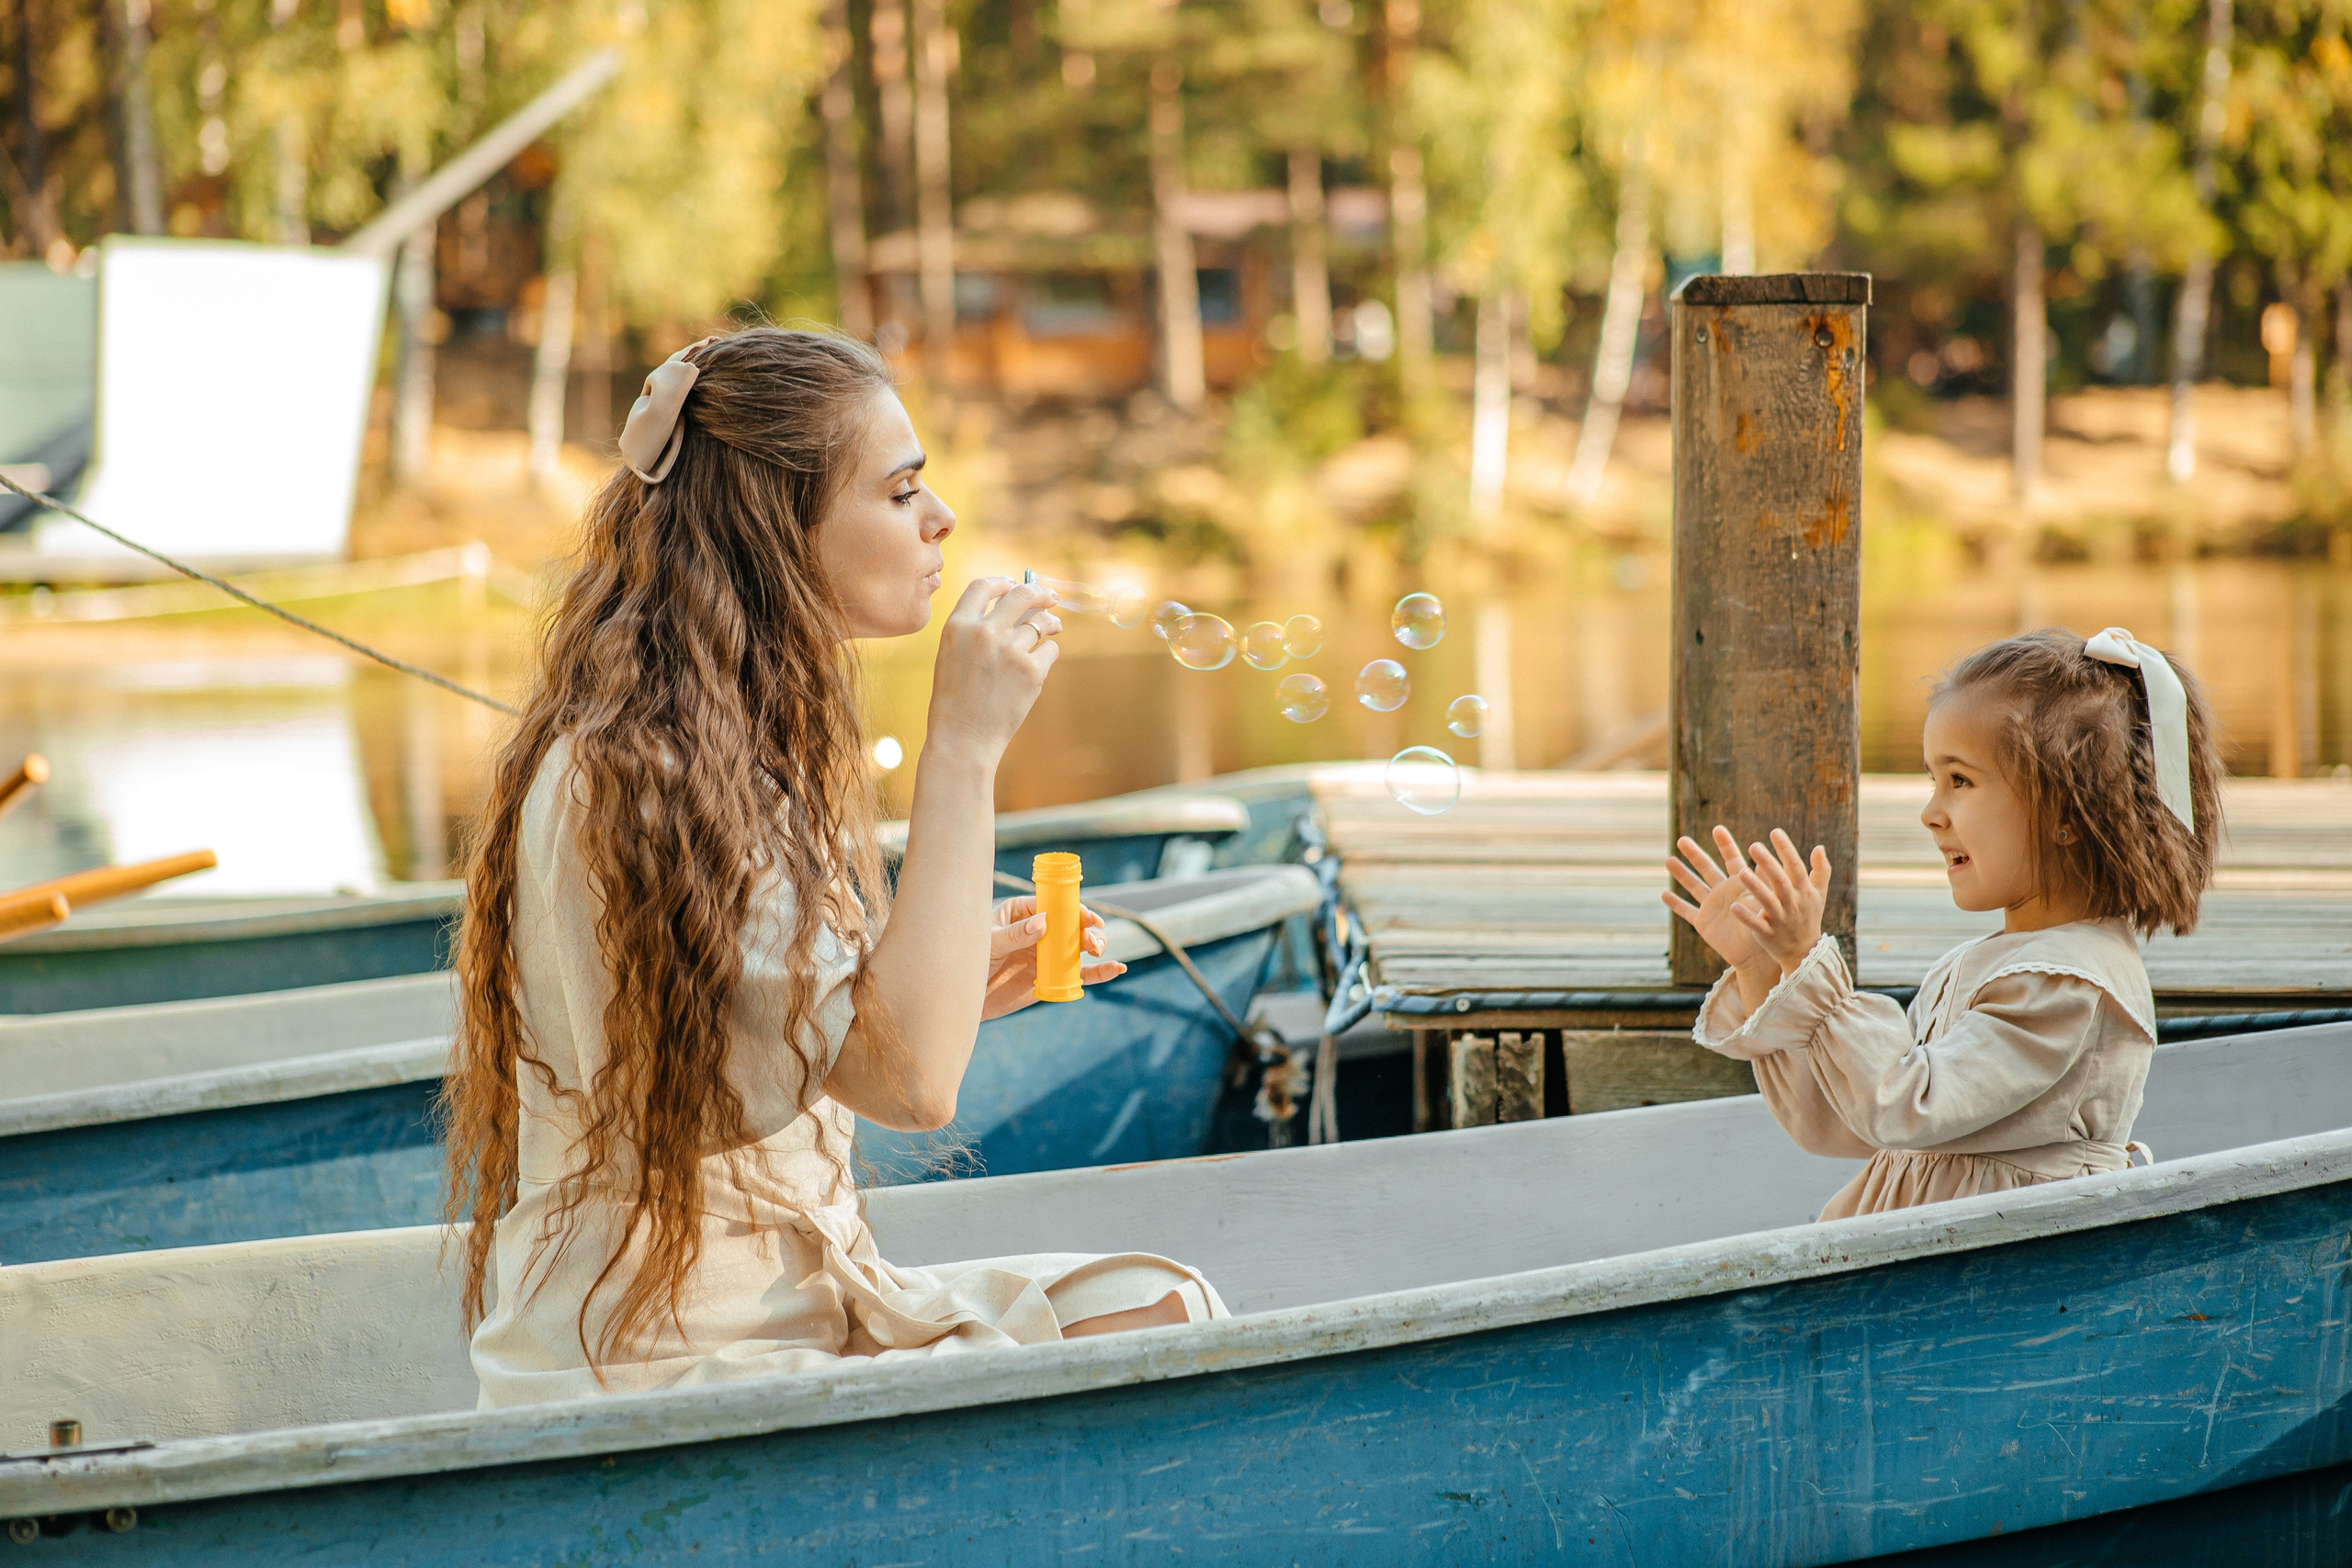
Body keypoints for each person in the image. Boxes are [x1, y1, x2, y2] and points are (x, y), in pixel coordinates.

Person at [442, 327, 1225, 1405]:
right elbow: (912, 1087)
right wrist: (965, 746)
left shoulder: (698, 742)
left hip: (794, 1307)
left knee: (1161, 1299)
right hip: (676, 1360)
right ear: (778, 525)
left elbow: (824, 1043)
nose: (941, 518)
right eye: (901, 491)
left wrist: (943, 985)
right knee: (1167, 1325)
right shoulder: (642, 773)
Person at [1664, 628, 2222, 1220]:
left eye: (1960, 781)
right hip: (1921, 1263)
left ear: (2065, 811)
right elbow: (1844, 1124)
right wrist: (1760, 967)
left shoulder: (2067, 983)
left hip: (2001, 1272)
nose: (1931, 814)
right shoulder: (1981, 966)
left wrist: (1807, 964)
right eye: (1934, 781)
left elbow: (1902, 1108)